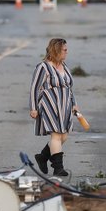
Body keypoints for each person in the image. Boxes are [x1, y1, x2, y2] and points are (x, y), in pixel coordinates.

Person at [29, 38, 80, 177]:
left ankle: (43, 157)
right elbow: (35, 88)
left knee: (63, 137)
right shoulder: (43, 67)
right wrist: (33, 108)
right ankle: (58, 168)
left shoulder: (65, 66)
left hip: (66, 107)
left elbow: (69, 88)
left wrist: (74, 104)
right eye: (64, 50)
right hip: (50, 106)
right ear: (57, 50)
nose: (67, 52)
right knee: (56, 136)